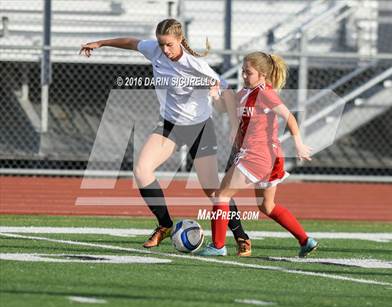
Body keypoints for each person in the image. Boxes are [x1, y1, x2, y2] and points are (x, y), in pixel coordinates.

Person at [79, 18, 252, 256]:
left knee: (213, 190)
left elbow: (226, 91)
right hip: (170, 126)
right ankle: (165, 224)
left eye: (169, 44)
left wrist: (225, 109)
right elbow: (131, 42)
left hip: (199, 128)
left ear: (180, 40)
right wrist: (101, 43)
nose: (164, 50)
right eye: (161, 44)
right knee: (141, 170)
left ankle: (242, 236)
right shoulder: (155, 51)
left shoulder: (196, 65)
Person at [197, 51, 319, 257]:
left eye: (249, 73)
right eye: (243, 71)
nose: (244, 76)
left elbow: (289, 116)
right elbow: (222, 109)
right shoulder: (244, 92)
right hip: (269, 158)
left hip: (257, 155)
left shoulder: (265, 93)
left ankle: (218, 246)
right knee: (266, 206)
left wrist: (298, 143)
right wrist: (215, 94)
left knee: (221, 196)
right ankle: (306, 240)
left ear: (263, 75)